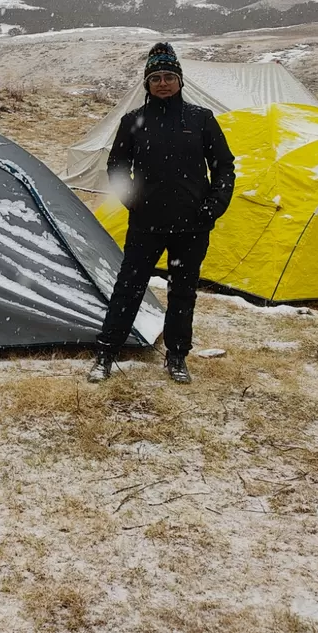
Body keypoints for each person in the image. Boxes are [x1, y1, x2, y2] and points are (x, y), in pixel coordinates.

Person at [88, 43, 234, 385]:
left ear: (180, 81)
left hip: (192, 226)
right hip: (146, 224)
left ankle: (177, 355)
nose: (163, 83)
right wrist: (133, 202)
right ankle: (107, 352)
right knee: (128, 288)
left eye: (169, 76)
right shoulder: (133, 121)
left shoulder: (201, 120)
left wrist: (213, 207)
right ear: (147, 84)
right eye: (156, 78)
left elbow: (224, 167)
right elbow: (117, 166)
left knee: (183, 292)